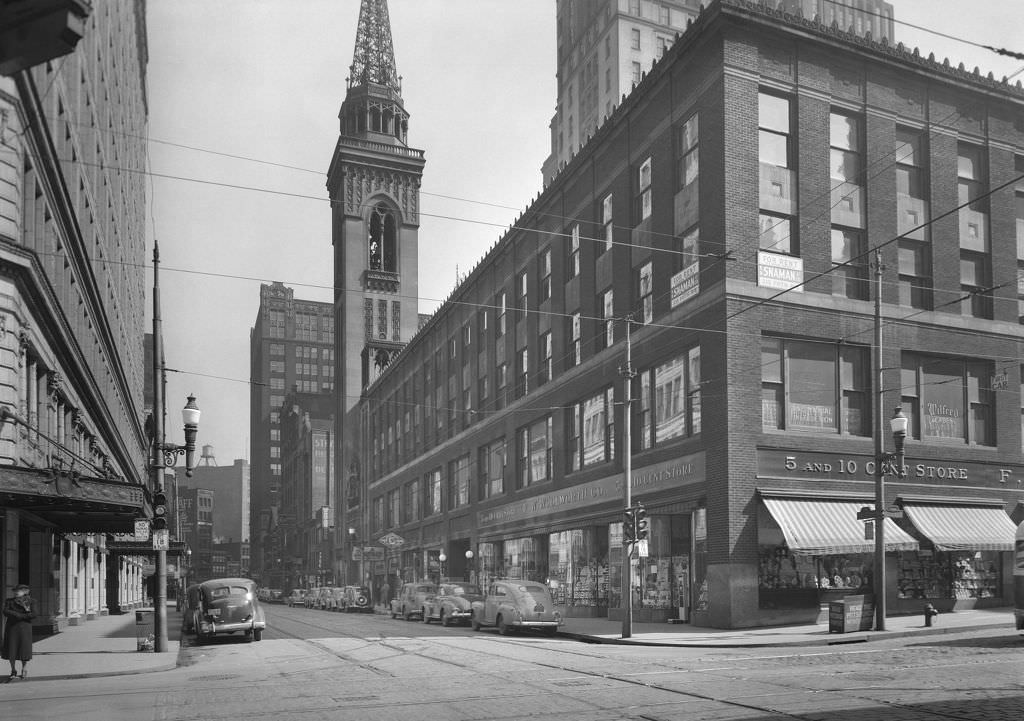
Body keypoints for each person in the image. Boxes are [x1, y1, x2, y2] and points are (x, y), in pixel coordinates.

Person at [2, 584, 35, 680]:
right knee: (11, 649)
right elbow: (5, 611)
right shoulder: (9, 601)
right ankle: (13, 670)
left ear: (25, 592)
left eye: (19, 590)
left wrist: (21, 616)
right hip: (12, 628)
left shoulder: (31, 601)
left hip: (25, 628)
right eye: (15, 590)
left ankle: (24, 668)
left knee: (23, 649)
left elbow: (34, 614)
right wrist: (18, 615)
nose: (16, 592)